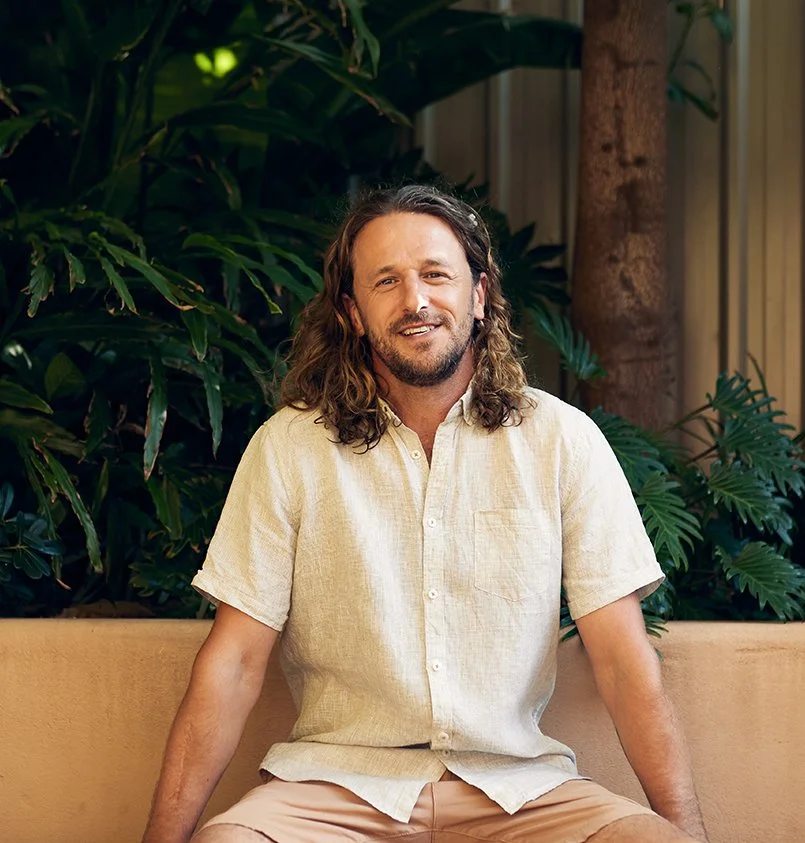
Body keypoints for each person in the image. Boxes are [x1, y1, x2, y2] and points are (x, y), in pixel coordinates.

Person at [142, 184, 708, 843]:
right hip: (332, 791)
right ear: (353, 312)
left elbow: (620, 656)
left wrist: (687, 831)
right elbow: (234, 662)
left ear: (478, 294)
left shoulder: (561, 440)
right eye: (386, 281)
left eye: (436, 274)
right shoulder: (289, 448)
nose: (415, 301)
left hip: (519, 793)